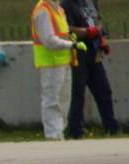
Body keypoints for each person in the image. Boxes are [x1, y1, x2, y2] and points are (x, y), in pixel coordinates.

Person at [61, 0, 120, 138]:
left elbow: (97, 22)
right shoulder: (66, 5)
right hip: (79, 52)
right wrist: (88, 32)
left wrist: (102, 38)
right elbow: (67, 29)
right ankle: (75, 130)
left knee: (104, 90)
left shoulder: (90, 2)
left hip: (94, 53)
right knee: (78, 93)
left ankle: (111, 127)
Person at [31, 0, 86, 140]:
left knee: (64, 100)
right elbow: (49, 40)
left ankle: (59, 132)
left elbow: (62, 32)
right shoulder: (43, 10)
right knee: (52, 100)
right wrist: (71, 44)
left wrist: (70, 39)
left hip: (63, 61)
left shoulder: (58, 9)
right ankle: (53, 135)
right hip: (51, 63)